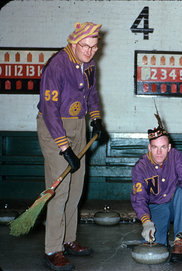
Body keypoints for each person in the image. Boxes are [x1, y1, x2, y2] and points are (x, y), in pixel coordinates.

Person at [37, 22, 105, 271]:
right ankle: (53, 248)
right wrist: (64, 148)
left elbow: (92, 92)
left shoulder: (89, 64)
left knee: (76, 187)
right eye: (84, 46)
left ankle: (68, 239)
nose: (89, 51)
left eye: (94, 47)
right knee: (60, 191)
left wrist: (96, 118)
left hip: (79, 125)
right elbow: (49, 110)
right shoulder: (57, 65)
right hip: (54, 128)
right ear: (73, 43)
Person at [130, 114, 182, 263]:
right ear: (149, 147)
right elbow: (139, 198)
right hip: (157, 207)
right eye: (155, 147)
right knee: (157, 246)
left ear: (169, 147)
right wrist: (146, 222)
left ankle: (180, 240)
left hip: (175, 205)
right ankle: (160, 233)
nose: (159, 152)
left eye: (163, 147)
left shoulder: (176, 156)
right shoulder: (140, 168)